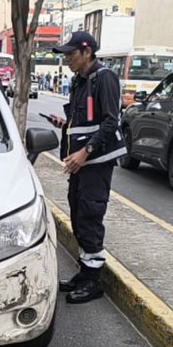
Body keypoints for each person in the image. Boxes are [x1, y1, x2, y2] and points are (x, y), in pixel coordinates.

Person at [45, 30, 126, 304]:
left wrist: (85, 151)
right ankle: (84, 271)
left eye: (71, 54)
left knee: (90, 215)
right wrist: (63, 124)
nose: (67, 59)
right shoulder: (81, 80)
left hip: (95, 163)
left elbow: (110, 122)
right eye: (65, 55)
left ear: (87, 52)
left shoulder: (105, 78)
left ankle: (93, 281)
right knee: (78, 215)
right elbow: (83, 121)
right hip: (80, 164)